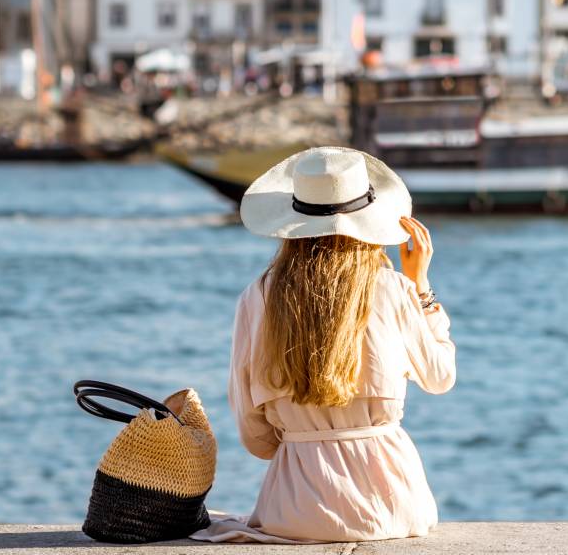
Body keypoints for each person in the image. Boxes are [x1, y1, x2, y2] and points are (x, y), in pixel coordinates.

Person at [194, 147, 456, 544]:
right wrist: (422, 288)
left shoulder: (256, 298)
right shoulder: (394, 290)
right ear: (370, 222)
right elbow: (441, 378)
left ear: (292, 222)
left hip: (294, 509)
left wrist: (306, 444)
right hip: (393, 507)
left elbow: (255, 437)